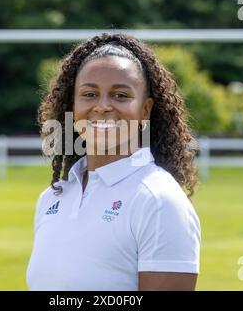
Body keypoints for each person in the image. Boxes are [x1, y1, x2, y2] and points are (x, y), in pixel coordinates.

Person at [26, 33, 201, 291]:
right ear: (72, 106)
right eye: (89, 94)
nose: (103, 106)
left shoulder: (159, 201)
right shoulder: (53, 198)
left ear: (145, 109)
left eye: (120, 95)